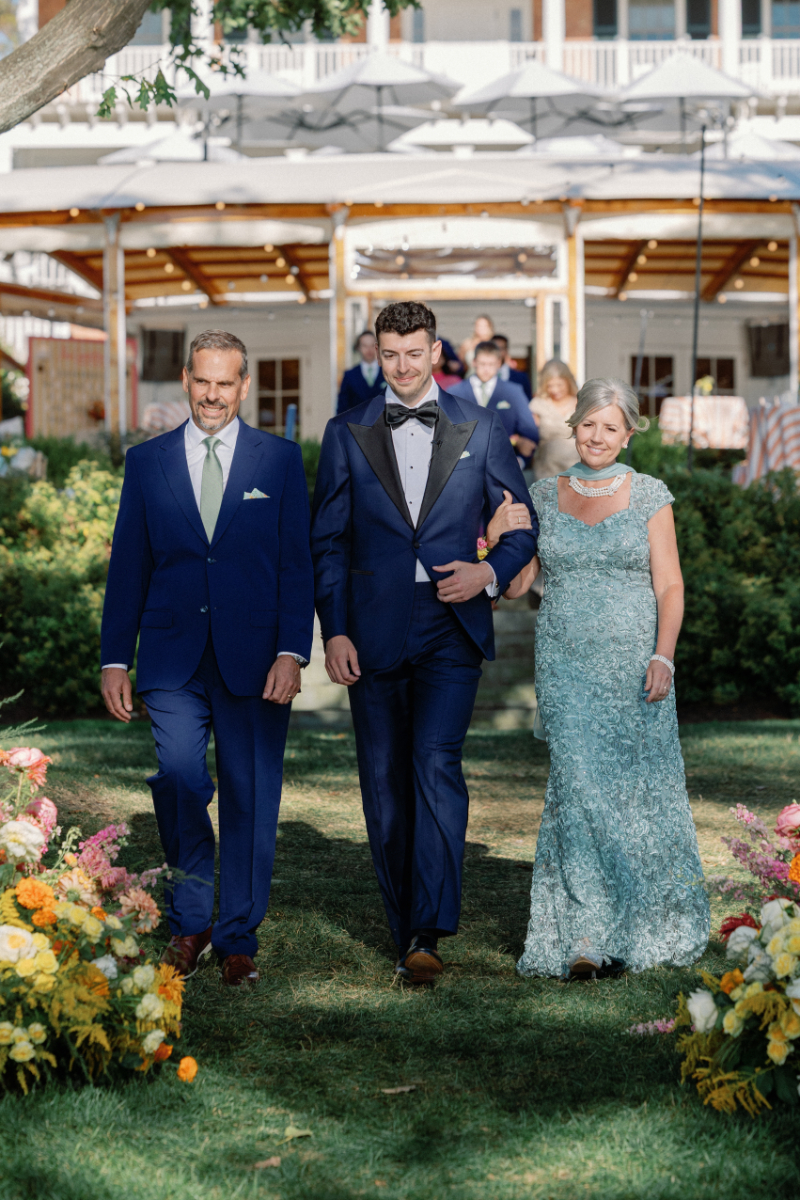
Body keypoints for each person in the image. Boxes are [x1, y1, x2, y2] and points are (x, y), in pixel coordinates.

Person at [311, 301, 537, 986]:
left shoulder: (485, 427)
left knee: (435, 765)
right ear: (377, 354)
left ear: (437, 350)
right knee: (383, 780)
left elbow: (524, 527)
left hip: (451, 623)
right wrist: (336, 629)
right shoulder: (345, 430)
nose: (403, 367)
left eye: (414, 353)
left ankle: (427, 931)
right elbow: (326, 541)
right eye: (390, 355)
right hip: (372, 625)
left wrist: (489, 572)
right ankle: (402, 916)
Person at [100, 330, 314, 986]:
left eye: (226, 382)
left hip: (256, 657)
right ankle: (190, 921)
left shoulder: (278, 461)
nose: (213, 394)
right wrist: (115, 657)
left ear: (243, 386)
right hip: (171, 655)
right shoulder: (147, 461)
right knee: (183, 778)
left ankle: (238, 934)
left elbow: (295, 562)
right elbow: (129, 564)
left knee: (251, 794)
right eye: (202, 381)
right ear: (187, 382)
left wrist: (291, 651)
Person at [487, 377, 709, 980]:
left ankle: (640, 923)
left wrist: (663, 655)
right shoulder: (542, 493)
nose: (598, 436)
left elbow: (670, 585)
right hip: (566, 666)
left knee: (637, 798)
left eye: (611, 427)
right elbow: (517, 586)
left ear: (629, 433)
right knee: (577, 791)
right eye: (589, 424)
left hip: (637, 666)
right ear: (574, 425)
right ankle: (583, 933)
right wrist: (500, 538)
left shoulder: (649, 494)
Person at [447, 340, 539, 461]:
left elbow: (530, 433)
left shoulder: (513, 392)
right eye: (482, 364)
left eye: (491, 364)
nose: (486, 369)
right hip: (464, 466)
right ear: (474, 362)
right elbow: (445, 432)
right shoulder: (455, 392)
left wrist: (520, 462)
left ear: (499, 363)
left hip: (502, 466)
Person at [529, 359, 579, 480]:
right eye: (550, 386)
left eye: (559, 385)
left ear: (568, 381)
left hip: (578, 471)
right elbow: (529, 435)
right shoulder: (537, 405)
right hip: (547, 472)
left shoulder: (580, 403)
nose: (555, 390)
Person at [336, 331, 386, 415]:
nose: (369, 350)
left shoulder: (387, 372)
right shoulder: (350, 375)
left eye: (372, 345)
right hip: (356, 425)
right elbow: (342, 408)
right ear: (358, 348)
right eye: (365, 346)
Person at [492, 333, 532, 400]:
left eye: (501, 348)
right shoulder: (481, 378)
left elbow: (527, 401)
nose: (498, 352)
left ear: (506, 351)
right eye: (495, 348)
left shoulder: (521, 378)